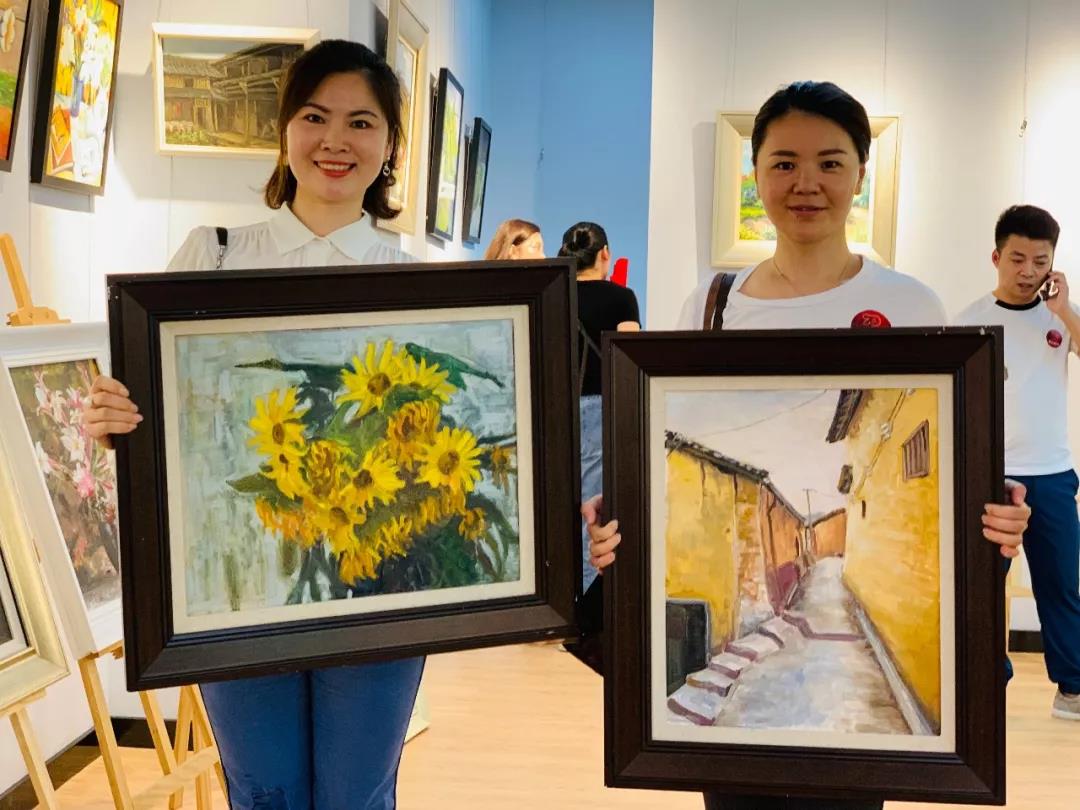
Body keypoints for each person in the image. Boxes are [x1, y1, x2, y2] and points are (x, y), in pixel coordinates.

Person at [582, 80, 1031, 810]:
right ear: (756, 174)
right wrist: (622, 519)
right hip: (731, 754)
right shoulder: (712, 305)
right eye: (784, 163)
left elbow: (960, 458)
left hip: (859, 750)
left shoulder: (912, 304)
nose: (806, 183)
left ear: (860, 174)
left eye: (830, 162)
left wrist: (995, 517)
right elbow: (664, 437)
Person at [84, 40, 424, 810]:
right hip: (232, 583)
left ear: (390, 145)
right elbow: (155, 413)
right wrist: (114, 420)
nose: (335, 140)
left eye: (361, 122)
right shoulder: (212, 256)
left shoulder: (419, 285)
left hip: (376, 587)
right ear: (284, 129)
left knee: (358, 796)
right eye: (315, 116)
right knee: (262, 793)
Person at [955, 204, 1080, 721]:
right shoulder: (968, 321)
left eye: (1040, 261)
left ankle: (1073, 689)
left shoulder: (1060, 319)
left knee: (1062, 585)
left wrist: (1065, 311)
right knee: (983, 588)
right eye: (1018, 259)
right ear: (997, 258)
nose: (1029, 271)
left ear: (1052, 263)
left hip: (1052, 474)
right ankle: (988, 684)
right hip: (990, 474)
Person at [557, 221, 640, 590]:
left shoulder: (555, 295)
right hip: (597, 409)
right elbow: (630, 358)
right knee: (591, 510)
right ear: (604, 253)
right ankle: (584, 594)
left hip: (555, 409)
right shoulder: (621, 298)